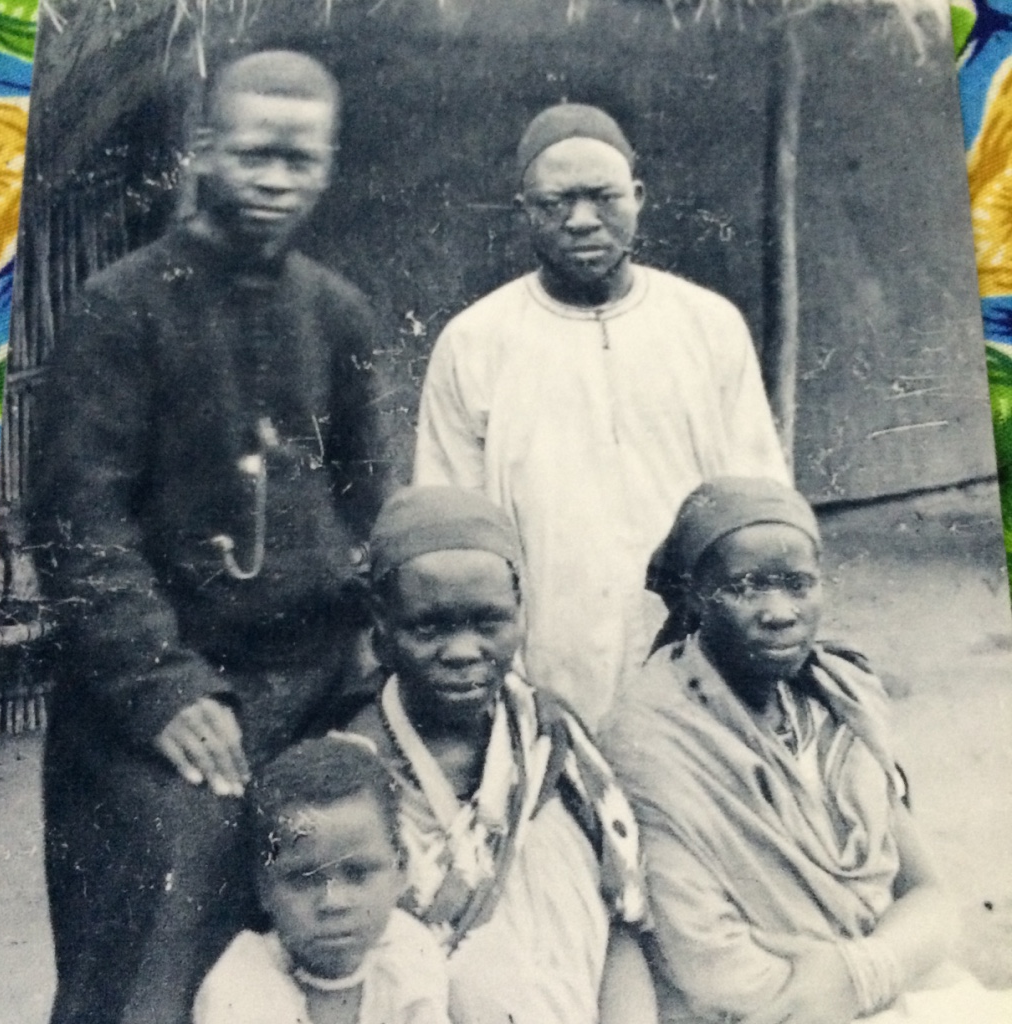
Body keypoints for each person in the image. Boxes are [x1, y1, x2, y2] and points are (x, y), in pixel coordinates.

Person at [29, 50, 384, 1024]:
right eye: (252, 153)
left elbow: (364, 509)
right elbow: (78, 522)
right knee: (151, 955)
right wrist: (163, 686)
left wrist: (360, 678)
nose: (274, 179)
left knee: (327, 928)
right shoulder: (121, 309)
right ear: (202, 151)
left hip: (309, 686)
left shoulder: (337, 313)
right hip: (157, 704)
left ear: (327, 166)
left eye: (298, 159)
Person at [414, 102, 789, 728]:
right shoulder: (475, 342)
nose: (582, 220)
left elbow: (757, 499)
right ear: (524, 210)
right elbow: (451, 526)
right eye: (555, 202)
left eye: (604, 197)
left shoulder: (707, 324)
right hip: (549, 655)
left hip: (699, 651)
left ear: (637, 198)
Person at [600, 476, 1012, 1024]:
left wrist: (861, 971)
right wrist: (870, 972)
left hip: (870, 987)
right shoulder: (652, 739)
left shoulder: (839, 700)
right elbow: (711, 965)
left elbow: (930, 897)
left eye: (798, 584)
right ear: (696, 596)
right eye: (745, 588)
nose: (779, 611)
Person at [345, 485, 657, 1024]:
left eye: (489, 622)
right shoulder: (351, 775)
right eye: (429, 627)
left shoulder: (555, 744)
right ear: (382, 625)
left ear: (521, 613)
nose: (464, 651)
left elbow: (621, 932)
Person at [193, 735, 451, 1024]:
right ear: (263, 887)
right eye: (303, 880)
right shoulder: (241, 985)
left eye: (357, 874)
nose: (333, 902)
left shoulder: (408, 952)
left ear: (401, 869)